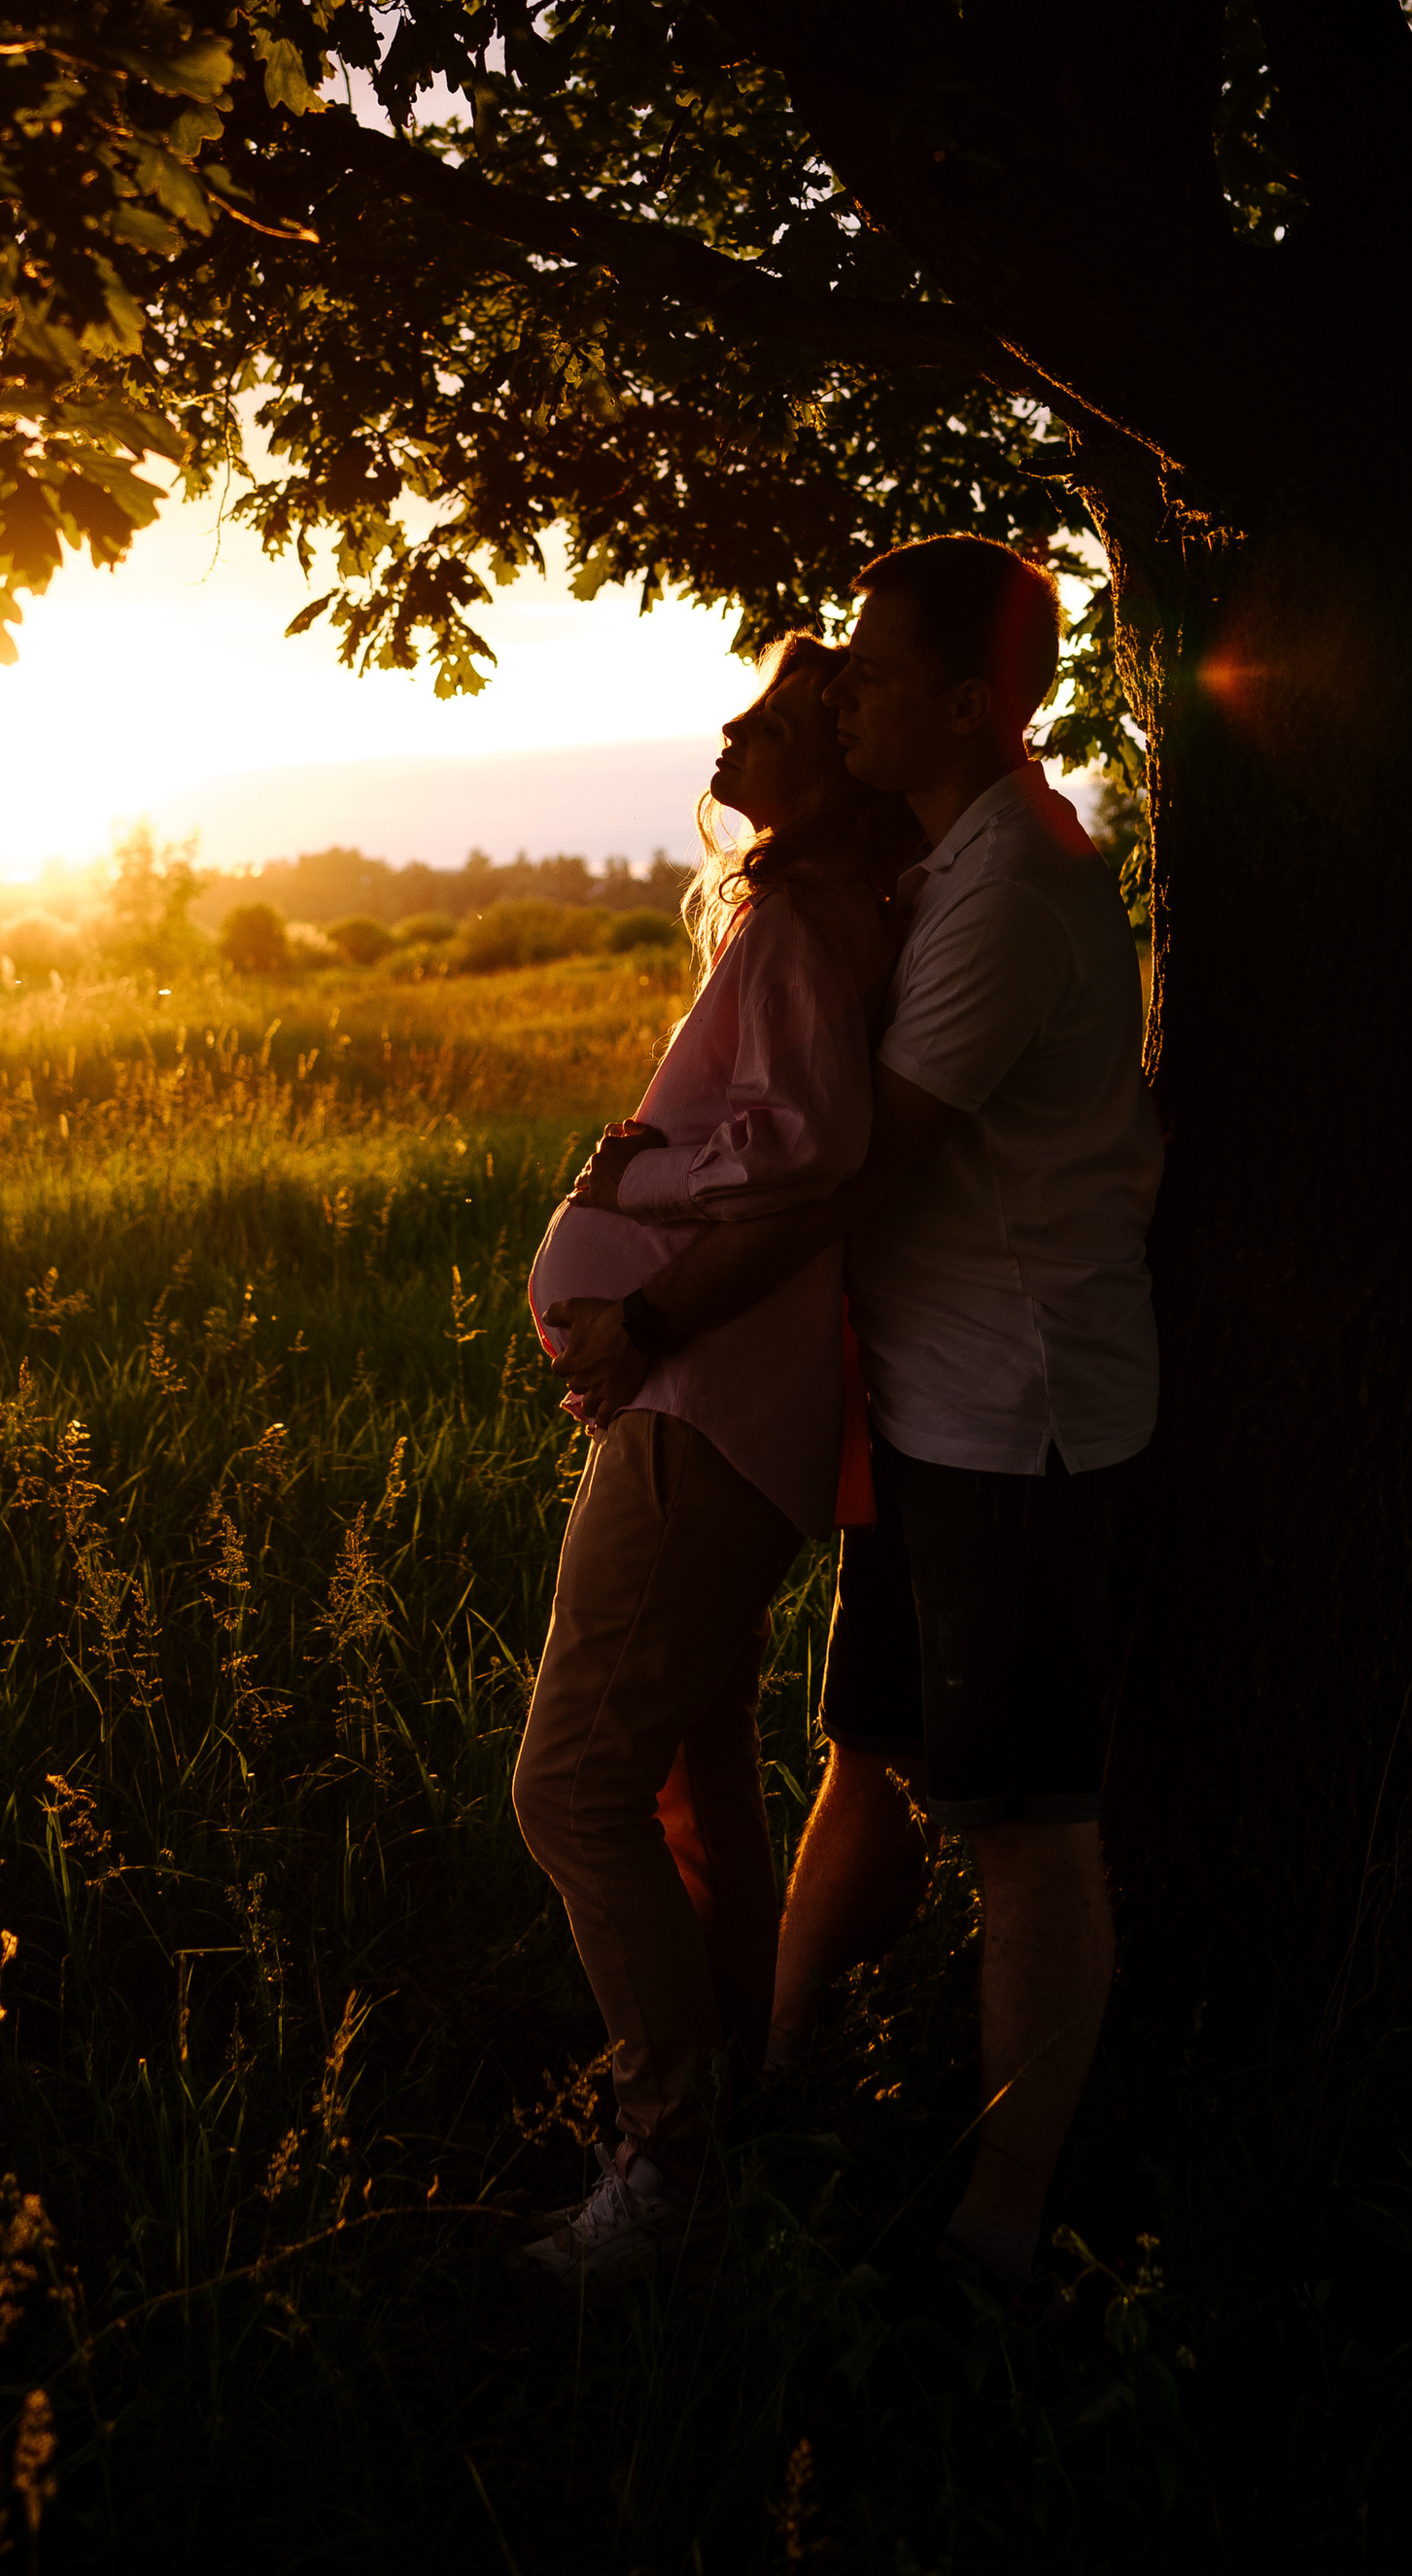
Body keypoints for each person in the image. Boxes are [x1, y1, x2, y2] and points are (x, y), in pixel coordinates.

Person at [555, 535, 1160, 2289]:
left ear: (969, 706)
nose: (844, 694)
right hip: (930, 1404)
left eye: (873, 678)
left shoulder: (1000, 892)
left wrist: (651, 1294)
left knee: (1028, 1829)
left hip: (1021, 1419)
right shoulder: (948, 869)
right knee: (876, 1758)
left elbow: (843, 1164)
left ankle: (993, 2226)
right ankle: (776, 2064)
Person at [511, 637, 914, 2287]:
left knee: (572, 1787)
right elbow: (757, 1136)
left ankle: (669, 2158)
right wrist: (641, 1160)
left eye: (770, 714)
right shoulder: (795, 912)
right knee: (687, 1771)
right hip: (704, 1396)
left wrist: (645, 1307)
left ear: (836, 755)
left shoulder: (815, 914)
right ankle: (733, 2093)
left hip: (707, 1399)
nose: (732, 730)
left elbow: (810, 1168)